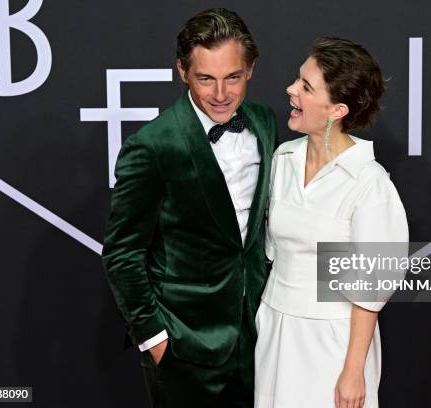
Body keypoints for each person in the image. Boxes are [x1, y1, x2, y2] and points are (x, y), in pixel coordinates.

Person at [102, 8, 278, 407]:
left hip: (258, 340)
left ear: (250, 69)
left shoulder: (264, 123)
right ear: (182, 71)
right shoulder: (152, 146)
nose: (220, 94)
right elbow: (122, 252)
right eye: (206, 78)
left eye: (232, 77)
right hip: (184, 347)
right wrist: (155, 338)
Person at [255, 37, 409, 408]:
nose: (290, 90)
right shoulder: (283, 159)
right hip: (276, 327)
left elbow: (373, 286)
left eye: (306, 87)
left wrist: (353, 370)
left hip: (333, 341)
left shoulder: (368, 182)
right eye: (297, 79)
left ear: (337, 109)